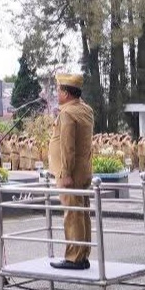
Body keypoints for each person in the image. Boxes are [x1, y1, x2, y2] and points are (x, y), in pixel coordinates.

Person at [46, 72, 94, 270]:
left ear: (66, 93)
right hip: (83, 170)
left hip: (70, 173)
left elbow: (68, 146)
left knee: (72, 214)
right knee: (82, 213)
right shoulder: (85, 109)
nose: (57, 93)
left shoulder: (67, 113)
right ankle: (83, 255)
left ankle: (74, 257)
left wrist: (65, 173)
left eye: (58, 90)